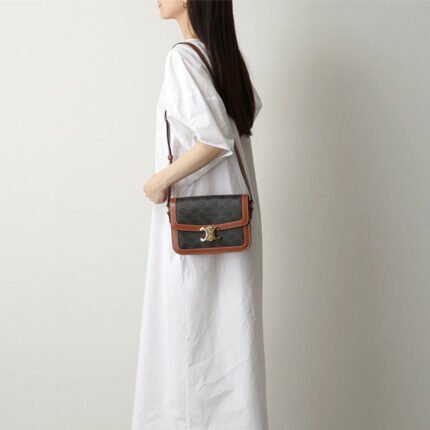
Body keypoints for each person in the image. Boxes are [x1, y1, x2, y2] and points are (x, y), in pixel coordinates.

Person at [131, 1, 268, 429]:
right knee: (228, 344)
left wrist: (160, 181)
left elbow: (214, 139)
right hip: (233, 227)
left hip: (193, 230)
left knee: (187, 348)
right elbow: (241, 121)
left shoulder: (183, 58)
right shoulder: (224, 58)